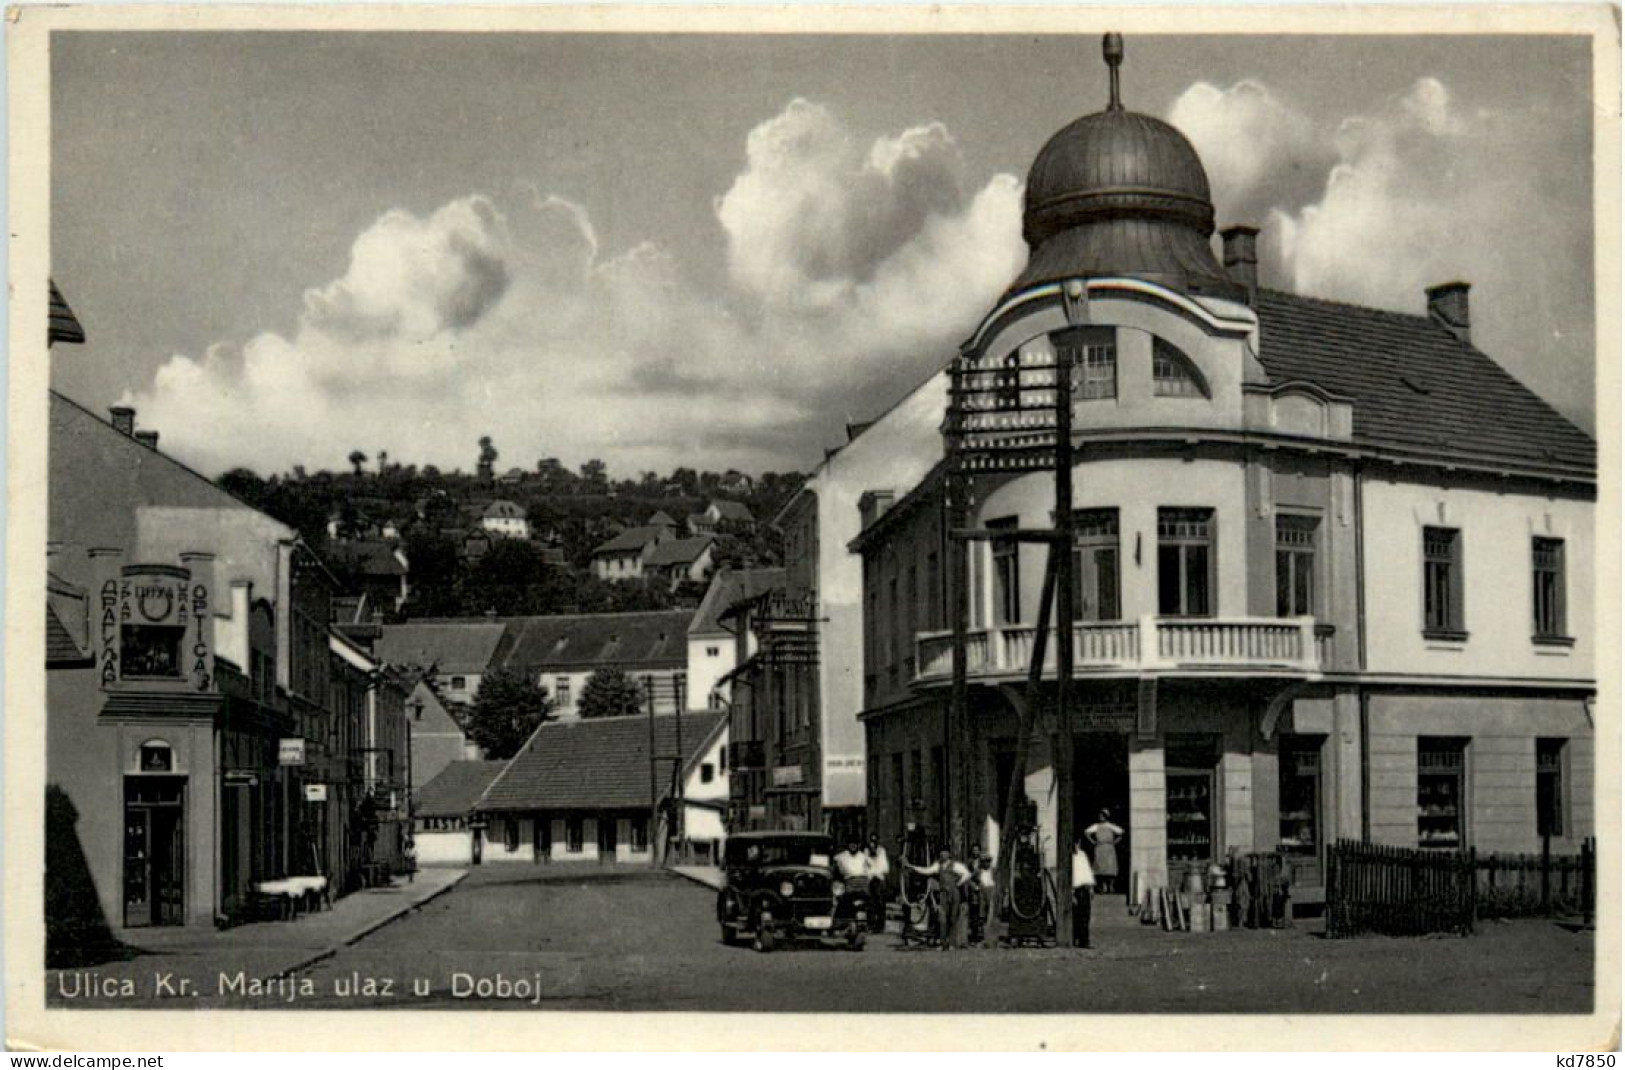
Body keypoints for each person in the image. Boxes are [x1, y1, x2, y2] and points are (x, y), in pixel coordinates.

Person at [906, 848, 971, 949]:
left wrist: (959, 883)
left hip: (954, 893)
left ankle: (952, 943)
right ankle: (943, 943)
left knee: (953, 917)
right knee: (942, 918)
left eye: (944, 853)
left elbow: (967, 874)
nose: (942, 855)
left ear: (948, 854)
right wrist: (913, 867)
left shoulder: (955, 865)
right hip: (943, 893)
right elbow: (927, 871)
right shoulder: (938, 865)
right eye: (941, 853)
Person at [1084, 809, 1125, 895]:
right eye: (1100, 815)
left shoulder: (1111, 826)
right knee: (1100, 869)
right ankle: (1102, 887)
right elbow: (1086, 832)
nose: (1101, 817)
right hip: (1100, 848)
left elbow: (1121, 832)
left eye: (1102, 816)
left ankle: (1110, 887)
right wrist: (1093, 841)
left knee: (1110, 869)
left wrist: (1115, 842)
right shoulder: (1096, 826)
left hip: (1109, 849)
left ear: (1106, 817)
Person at [1071, 837, 1096, 949]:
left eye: (1077, 844)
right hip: (1076, 889)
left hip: (1085, 887)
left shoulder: (1082, 855)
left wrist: (1091, 888)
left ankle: (1084, 940)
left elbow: (1087, 871)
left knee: (1085, 916)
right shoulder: (1069, 857)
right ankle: (1075, 938)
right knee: (1077, 916)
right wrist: (1071, 893)